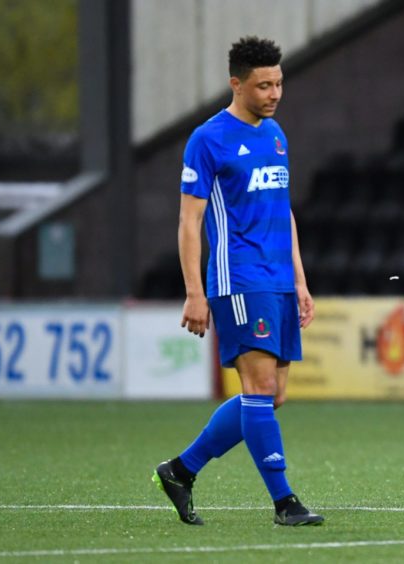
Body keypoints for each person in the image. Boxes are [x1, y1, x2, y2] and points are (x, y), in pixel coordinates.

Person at [152, 36, 323, 526]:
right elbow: (189, 222)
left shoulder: (275, 135)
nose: (274, 93)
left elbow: (282, 210)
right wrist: (194, 292)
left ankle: (181, 470)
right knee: (260, 387)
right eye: (263, 85)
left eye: (279, 83)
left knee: (271, 397)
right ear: (236, 84)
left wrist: (301, 280)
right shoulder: (208, 139)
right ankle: (284, 502)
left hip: (279, 281)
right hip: (239, 278)